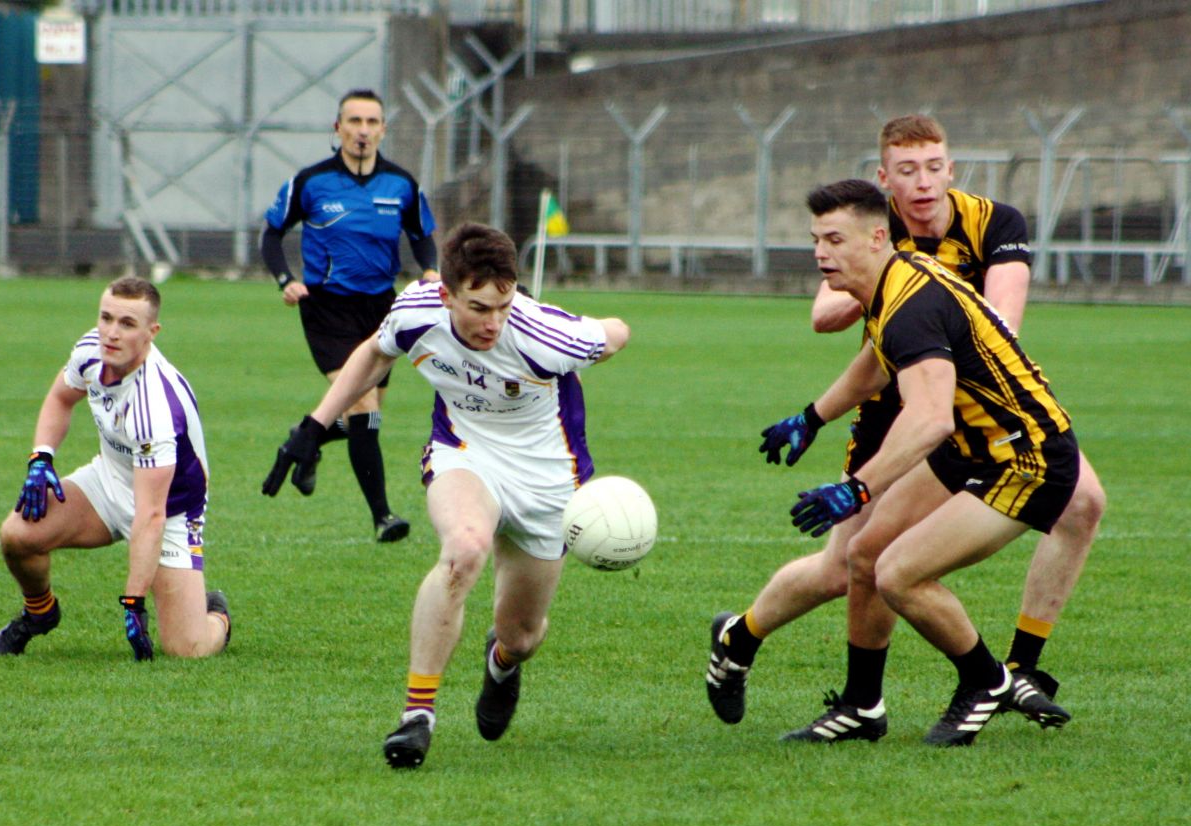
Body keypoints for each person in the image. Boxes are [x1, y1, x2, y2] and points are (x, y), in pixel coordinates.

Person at [705, 115, 1105, 731]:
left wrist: (856, 487)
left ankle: (993, 679)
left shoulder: (916, 297)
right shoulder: (895, 286)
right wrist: (810, 418)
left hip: (1013, 453)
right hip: (966, 438)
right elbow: (872, 366)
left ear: (875, 237)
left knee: (897, 572)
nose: (819, 253)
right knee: (860, 556)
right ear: (887, 184)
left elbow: (929, 419)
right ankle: (861, 705)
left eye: (833, 241)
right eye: (816, 239)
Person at [263, 223, 630, 768]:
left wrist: (576, 332)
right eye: (479, 307)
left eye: (504, 304)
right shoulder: (416, 310)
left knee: (523, 635)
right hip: (465, 455)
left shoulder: (542, 332)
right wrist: (315, 426)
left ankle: (502, 662)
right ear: (446, 293)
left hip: (549, 482)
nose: (494, 322)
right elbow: (374, 352)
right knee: (464, 548)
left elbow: (617, 331)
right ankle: (417, 717)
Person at [0, 276, 231, 661]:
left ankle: (216, 614)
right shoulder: (90, 351)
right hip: (108, 481)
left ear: (152, 332)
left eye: (127, 324)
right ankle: (40, 614)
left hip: (171, 510)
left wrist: (133, 602)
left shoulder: (157, 407)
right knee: (17, 536)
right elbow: (60, 399)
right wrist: (41, 456)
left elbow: (150, 516)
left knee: (188, 648)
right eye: (106, 318)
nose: (111, 333)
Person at [260, 88, 440, 544]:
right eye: (353, 121)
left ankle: (306, 436)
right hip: (327, 307)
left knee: (371, 413)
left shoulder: (401, 184)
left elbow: (422, 236)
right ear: (337, 128)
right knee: (361, 409)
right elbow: (271, 234)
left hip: (382, 308)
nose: (362, 130)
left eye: (371, 122)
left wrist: (432, 271)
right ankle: (383, 516)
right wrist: (286, 280)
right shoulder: (312, 181)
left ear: (383, 129)